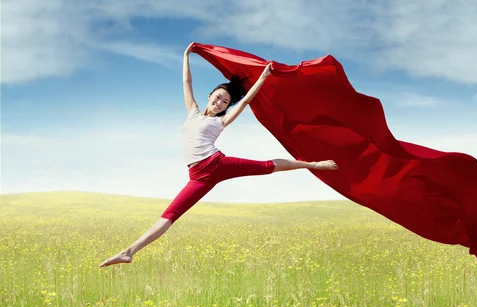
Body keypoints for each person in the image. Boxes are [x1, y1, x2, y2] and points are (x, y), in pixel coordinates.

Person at [99, 43, 338, 267]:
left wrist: (263, 78)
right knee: (170, 216)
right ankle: (129, 252)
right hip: (198, 176)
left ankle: (314, 164)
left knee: (266, 166)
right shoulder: (192, 112)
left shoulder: (221, 121)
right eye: (218, 97)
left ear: (225, 107)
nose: (220, 102)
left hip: (216, 164)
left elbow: (243, 103)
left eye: (225, 102)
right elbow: (186, 81)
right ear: (210, 96)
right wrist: (186, 56)